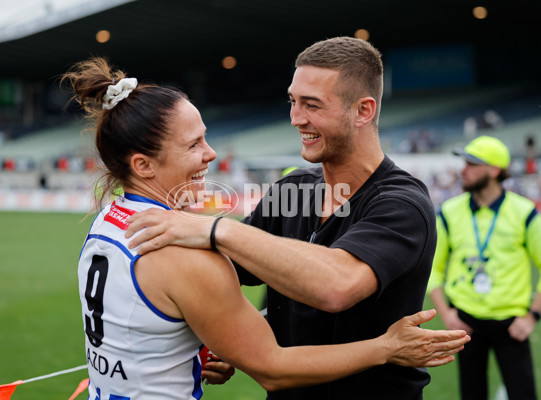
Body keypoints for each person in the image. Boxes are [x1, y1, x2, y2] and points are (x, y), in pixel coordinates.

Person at [65, 57, 469, 400]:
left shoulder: (400, 202)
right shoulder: (292, 189)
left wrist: (215, 231)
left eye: (312, 104)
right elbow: (223, 284)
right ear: (142, 164)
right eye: (293, 102)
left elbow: (335, 285)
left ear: (363, 110)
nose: (295, 118)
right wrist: (215, 339)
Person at [426, 135, 541, 400]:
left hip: (512, 324)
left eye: (472, 164)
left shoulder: (524, 213)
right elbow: (432, 269)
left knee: (523, 394)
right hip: (465, 323)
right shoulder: (449, 212)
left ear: (494, 170)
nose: (463, 170)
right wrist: (447, 314)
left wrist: (532, 316)